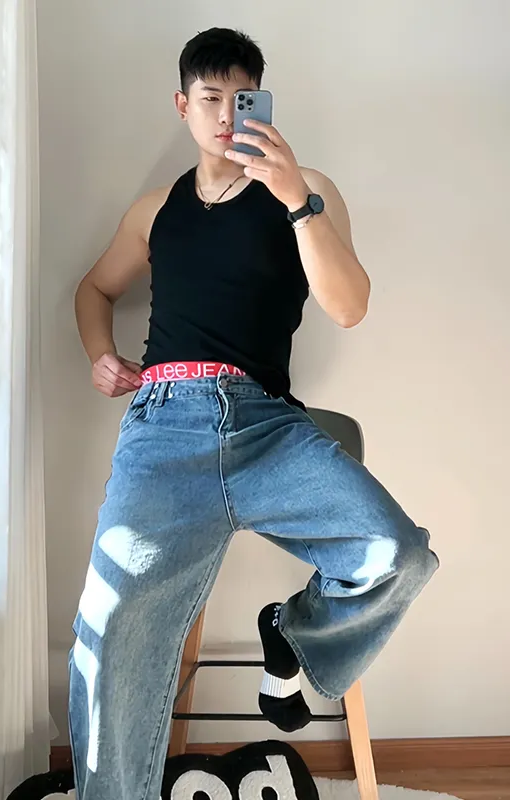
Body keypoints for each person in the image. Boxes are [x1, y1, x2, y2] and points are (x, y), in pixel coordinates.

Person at [69, 27, 439, 800]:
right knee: (112, 627)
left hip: (266, 427)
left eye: (242, 99)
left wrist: (296, 199)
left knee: (397, 554)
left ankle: (291, 632)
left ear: (262, 103)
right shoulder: (154, 210)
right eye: (210, 98)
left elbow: (350, 307)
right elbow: (94, 288)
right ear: (182, 105)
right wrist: (101, 353)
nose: (225, 115)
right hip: (164, 427)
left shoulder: (306, 189)